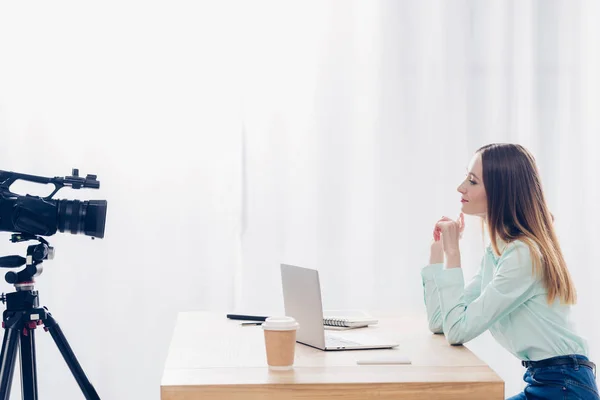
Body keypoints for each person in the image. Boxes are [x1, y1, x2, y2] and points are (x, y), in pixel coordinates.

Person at [421, 143, 599, 399]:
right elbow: (443, 323)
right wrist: (437, 253)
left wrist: (453, 255)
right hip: (548, 381)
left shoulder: (522, 255)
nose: (461, 187)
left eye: (472, 181)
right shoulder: (498, 253)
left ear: (500, 191)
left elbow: (457, 331)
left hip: (564, 385)